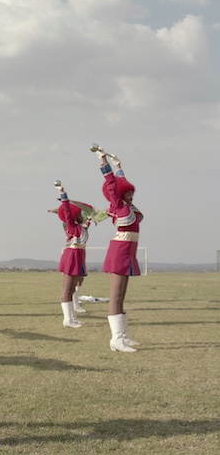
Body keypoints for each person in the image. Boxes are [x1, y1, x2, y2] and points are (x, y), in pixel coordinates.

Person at [94, 145, 143, 353]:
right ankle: (116, 339)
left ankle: (123, 335)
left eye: (132, 191)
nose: (131, 194)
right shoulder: (118, 204)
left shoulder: (128, 206)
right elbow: (113, 184)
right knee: (115, 296)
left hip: (128, 250)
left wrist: (119, 166)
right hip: (120, 250)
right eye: (128, 192)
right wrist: (104, 162)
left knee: (122, 295)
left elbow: (120, 182)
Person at [54, 181, 88, 328]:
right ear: (74, 217)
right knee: (67, 289)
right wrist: (63, 195)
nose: (82, 215)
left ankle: (72, 317)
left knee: (73, 288)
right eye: (80, 214)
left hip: (78, 256)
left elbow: (89, 221)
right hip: (71, 257)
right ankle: (67, 319)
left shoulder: (81, 227)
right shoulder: (71, 225)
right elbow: (67, 212)